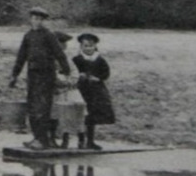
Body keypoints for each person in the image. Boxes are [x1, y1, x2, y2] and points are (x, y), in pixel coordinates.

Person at [9, 8, 70, 149]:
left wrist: (66, 69)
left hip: (47, 75)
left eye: (39, 19)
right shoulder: (28, 36)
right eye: (34, 18)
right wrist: (14, 75)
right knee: (32, 106)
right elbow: (21, 57)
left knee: (43, 107)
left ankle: (43, 140)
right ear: (30, 19)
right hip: (32, 75)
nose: (36, 21)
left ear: (44, 21)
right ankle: (37, 137)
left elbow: (59, 53)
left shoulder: (48, 35)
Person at [71, 32, 116, 150]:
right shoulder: (77, 59)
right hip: (81, 90)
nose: (88, 48)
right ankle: (81, 140)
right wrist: (80, 75)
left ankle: (90, 141)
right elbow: (72, 72)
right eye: (85, 46)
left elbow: (106, 73)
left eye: (91, 46)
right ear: (81, 47)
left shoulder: (99, 60)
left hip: (96, 92)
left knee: (92, 116)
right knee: (80, 115)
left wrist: (98, 78)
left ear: (95, 46)